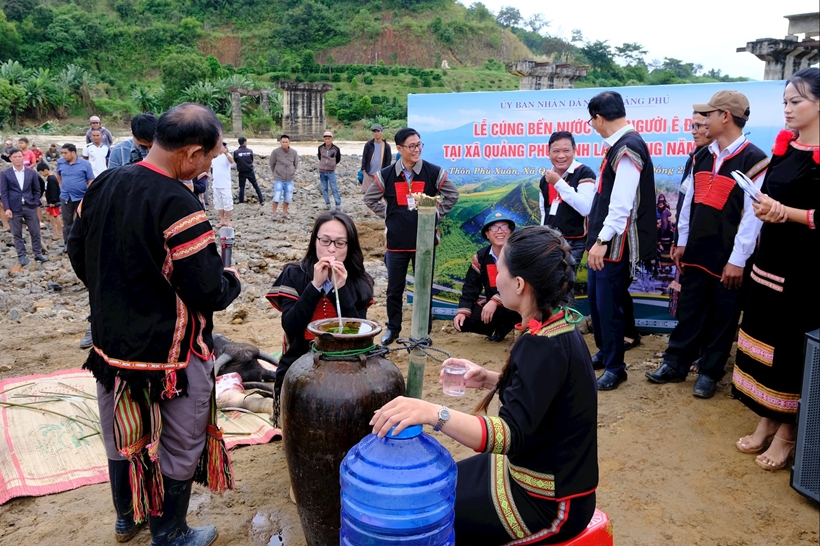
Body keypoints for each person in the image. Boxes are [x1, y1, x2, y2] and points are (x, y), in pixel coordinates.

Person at [67, 103, 241, 546]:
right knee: (180, 441)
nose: (208, 166)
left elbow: (78, 251)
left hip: (110, 348)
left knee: (121, 434)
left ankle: (127, 520)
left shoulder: (104, 182)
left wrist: (115, 292)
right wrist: (231, 282)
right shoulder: (177, 202)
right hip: (170, 356)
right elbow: (206, 290)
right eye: (210, 157)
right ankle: (170, 533)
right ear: (191, 153)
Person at [371, 226, 598, 545]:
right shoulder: (557, 324)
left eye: (501, 271)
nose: (496, 279)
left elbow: (509, 435)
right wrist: (491, 379)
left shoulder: (544, 344)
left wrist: (433, 413)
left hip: (550, 503)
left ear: (519, 284)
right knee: (438, 488)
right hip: (528, 475)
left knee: (431, 517)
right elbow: (545, 393)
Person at [647, 90, 769, 399]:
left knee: (723, 314)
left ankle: (710, 372)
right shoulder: (701, 155)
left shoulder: (755, 160)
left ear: (725, 117)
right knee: (690, 308)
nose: (703, 121)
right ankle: (675, 363)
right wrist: (682, 241)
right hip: (697, 250)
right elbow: (688, 202)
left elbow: (752, 217)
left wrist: (738, 259)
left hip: (728, 255)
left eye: (709, 115)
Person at [731, 68, 820, 471]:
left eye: (796, 101)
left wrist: (785, 212)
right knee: (762, 337)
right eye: (785, 101)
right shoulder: (786, 146)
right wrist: (765, 207)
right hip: (769, 260)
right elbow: (772, 196)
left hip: (806, 269)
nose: (787, 109)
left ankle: (787, 432)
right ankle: (766, 418)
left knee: (788, 347)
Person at [586, 91, 657, 391]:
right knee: (596, 301)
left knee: (609, 305)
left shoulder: (628, 147)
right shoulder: (619, 146)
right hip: (604, 241)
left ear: (599, 118)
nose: (592, 126)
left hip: (614, 244)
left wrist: (602, 240)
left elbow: (622, 204)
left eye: (592, 120)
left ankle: (616, 368)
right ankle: (605, 352)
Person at [363, 127, 459, 345]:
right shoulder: (386, 175)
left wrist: (434, 214)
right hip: (396, 244)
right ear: (399, 149)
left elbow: (452, 195)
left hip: (424, 243)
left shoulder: (433, 172)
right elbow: (370, 199)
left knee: (424, 287)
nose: (417, 149)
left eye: (419, 145)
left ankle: (423, 331)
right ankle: (393, 329)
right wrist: (390, 214)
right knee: (394, 290)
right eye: (412, 146)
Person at [265, 211, 374, 397]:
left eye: (340, 243)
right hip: (299, 359)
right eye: (325, 241)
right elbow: (291, 325)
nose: (331, 249)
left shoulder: (360, 280)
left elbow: (358, 332)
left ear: (349, 246)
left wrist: (340, 289)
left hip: (347, 362)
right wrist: (315, 286)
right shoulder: (294, 274)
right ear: (315, 242)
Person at [454, 211, 521, 342]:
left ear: (510, 232)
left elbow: (524, 284)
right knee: (464, 322)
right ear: (487, 234)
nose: (500, 231)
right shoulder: (482, 257)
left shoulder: (520, 254)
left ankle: (521, 327)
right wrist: (463, 311)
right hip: (497, 307)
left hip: (520, 304)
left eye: (504, 227)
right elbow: (471, 286)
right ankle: (500, 329)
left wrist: (495, 300)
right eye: (494, 228)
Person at [538, 131, 596, 270]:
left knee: (566, 278)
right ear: (548, 153)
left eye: (566, 150)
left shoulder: (584, 172)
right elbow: (544, 212)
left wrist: (559, 183)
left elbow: (585, 208)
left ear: (574, 151)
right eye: (556, 151)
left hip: (574, 241)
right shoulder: (545, 179)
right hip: (551, 241)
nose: (561, 156)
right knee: (549, 280)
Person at [1, 149, 47, 266]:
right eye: (15, 157)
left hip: (29, 205)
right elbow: (4, 192)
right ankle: (21, 255)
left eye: (19, 156)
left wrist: (35, 201)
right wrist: (7, 208)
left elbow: (37, 189)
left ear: (23, 157)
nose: (18, 159)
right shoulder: (5, 174)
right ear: (10, 159)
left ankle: (37, 253)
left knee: (35, 231)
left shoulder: (31, 173)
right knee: (17, 233)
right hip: (14, 207)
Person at [55, 143, 95, 248]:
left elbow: (90, 179)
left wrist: (88, 194)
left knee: (82, 220)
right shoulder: (60, 163)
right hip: (65, 197)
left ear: (73, 153)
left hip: (80, 197)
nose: (63, 155)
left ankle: (82, 243)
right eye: (62, 153)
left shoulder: (85, 164)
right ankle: (68, 243)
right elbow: (58, 175)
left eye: (65, 153)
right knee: (67, 221)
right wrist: (62, 186)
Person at [268, 134, 298, 220]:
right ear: (280, 142)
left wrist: (292, 172)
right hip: (279, 178)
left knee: (288, 197)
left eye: (286, 142)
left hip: (290, 179)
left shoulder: (294, 152)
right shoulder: (275, 152)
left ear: (289, 142)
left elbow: (295, 164)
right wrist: (276, 173)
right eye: (283, 142)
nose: (285, 144)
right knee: (276, 196)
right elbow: (272, 164)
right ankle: (274, 214)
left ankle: (284, 213)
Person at [360, 125, 392, 194]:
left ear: (382, 132)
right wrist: (364, 169)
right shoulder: (368, 144)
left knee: (378, 194)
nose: (376, 133)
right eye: (375, 131)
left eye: (378, 131)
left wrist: (386, 172)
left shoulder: (386, 146)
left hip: (380, 175)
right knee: (367, 193)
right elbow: (364, 157)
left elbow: (388, 160)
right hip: (369, 173)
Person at [36, 162, 63, 242]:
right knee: (48, 214)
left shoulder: (52, 179)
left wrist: (53, 202)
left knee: (56, 215)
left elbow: (54, 191)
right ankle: (54, 228)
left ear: (45, 170)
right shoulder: (49, 178)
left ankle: (59, 231)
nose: (41, 174)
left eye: (41, 172)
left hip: (53, 201)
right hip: (49, 201)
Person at [233, 136, 263, 204]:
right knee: (255, 185)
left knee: (242, 187)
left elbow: (236, 160)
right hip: (250, 171)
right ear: (244, 142)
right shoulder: (250, 151)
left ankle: (241, 202)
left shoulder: (236, 152)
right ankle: (261, 200)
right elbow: (251, 160)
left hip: (242, 172)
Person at [211, 141, 234, 228]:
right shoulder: (214, 157)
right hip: (216, 184)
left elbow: (232, 162)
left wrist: (226, 153)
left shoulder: (227, 156)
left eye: (222, 146)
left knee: (227, 203)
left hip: (225, 184)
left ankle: (228, 220)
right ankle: (222, 220)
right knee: (218, 203)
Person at [317, 131, 342, 211]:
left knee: (334, 188)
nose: (327, 140)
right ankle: (327, 204)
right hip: (322, 171)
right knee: (324, 189)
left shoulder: (336, 149)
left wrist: (332, 164)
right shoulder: (320, 148)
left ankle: (338, 205)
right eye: (326, 139)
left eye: (329, 138)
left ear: (332, 139)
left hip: (331, 172)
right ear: (324, 139)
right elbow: (320, 157)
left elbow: (338, 159)